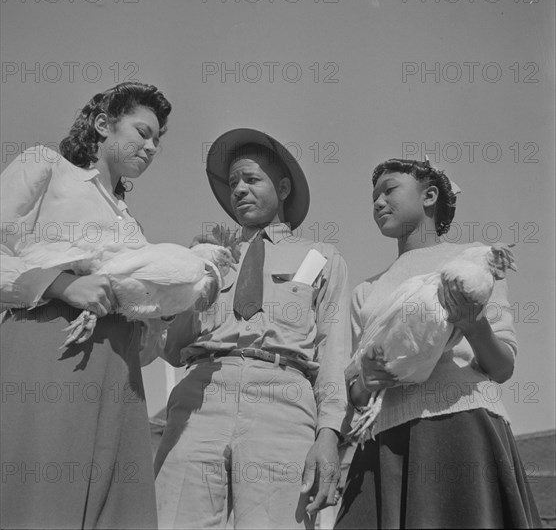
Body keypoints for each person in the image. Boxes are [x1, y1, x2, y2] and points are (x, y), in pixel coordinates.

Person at [154, 128, 351, 529]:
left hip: (283, 401)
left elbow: (334, 351)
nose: (239, 190)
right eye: (233, 183)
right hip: (200, 397)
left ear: (281, 188)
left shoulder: (322, 257)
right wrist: (192, 283)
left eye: (251, 179)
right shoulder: (209, 256)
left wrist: (329, 433)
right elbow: (172, 350)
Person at [1, 81, 172, 529]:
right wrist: (59, 284)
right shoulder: (46, 166)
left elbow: (153, 345)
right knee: (40, 499)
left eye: (158, 139)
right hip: (48, 349)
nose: (152, 146)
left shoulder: (131, 224)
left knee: (119, 510)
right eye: (142, 131)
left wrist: (162, 308)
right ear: (102, 124)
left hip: (121, 372)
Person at [335, 158, 542, 529]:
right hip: (385, 444)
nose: (378, 203)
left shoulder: (474, 261)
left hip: (461, 432)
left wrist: (473, 325)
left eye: (389, 190)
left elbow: (502, 367)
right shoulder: (365, 291)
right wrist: (366, 379)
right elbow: (356, 392)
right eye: (373, 198)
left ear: (429, 196)